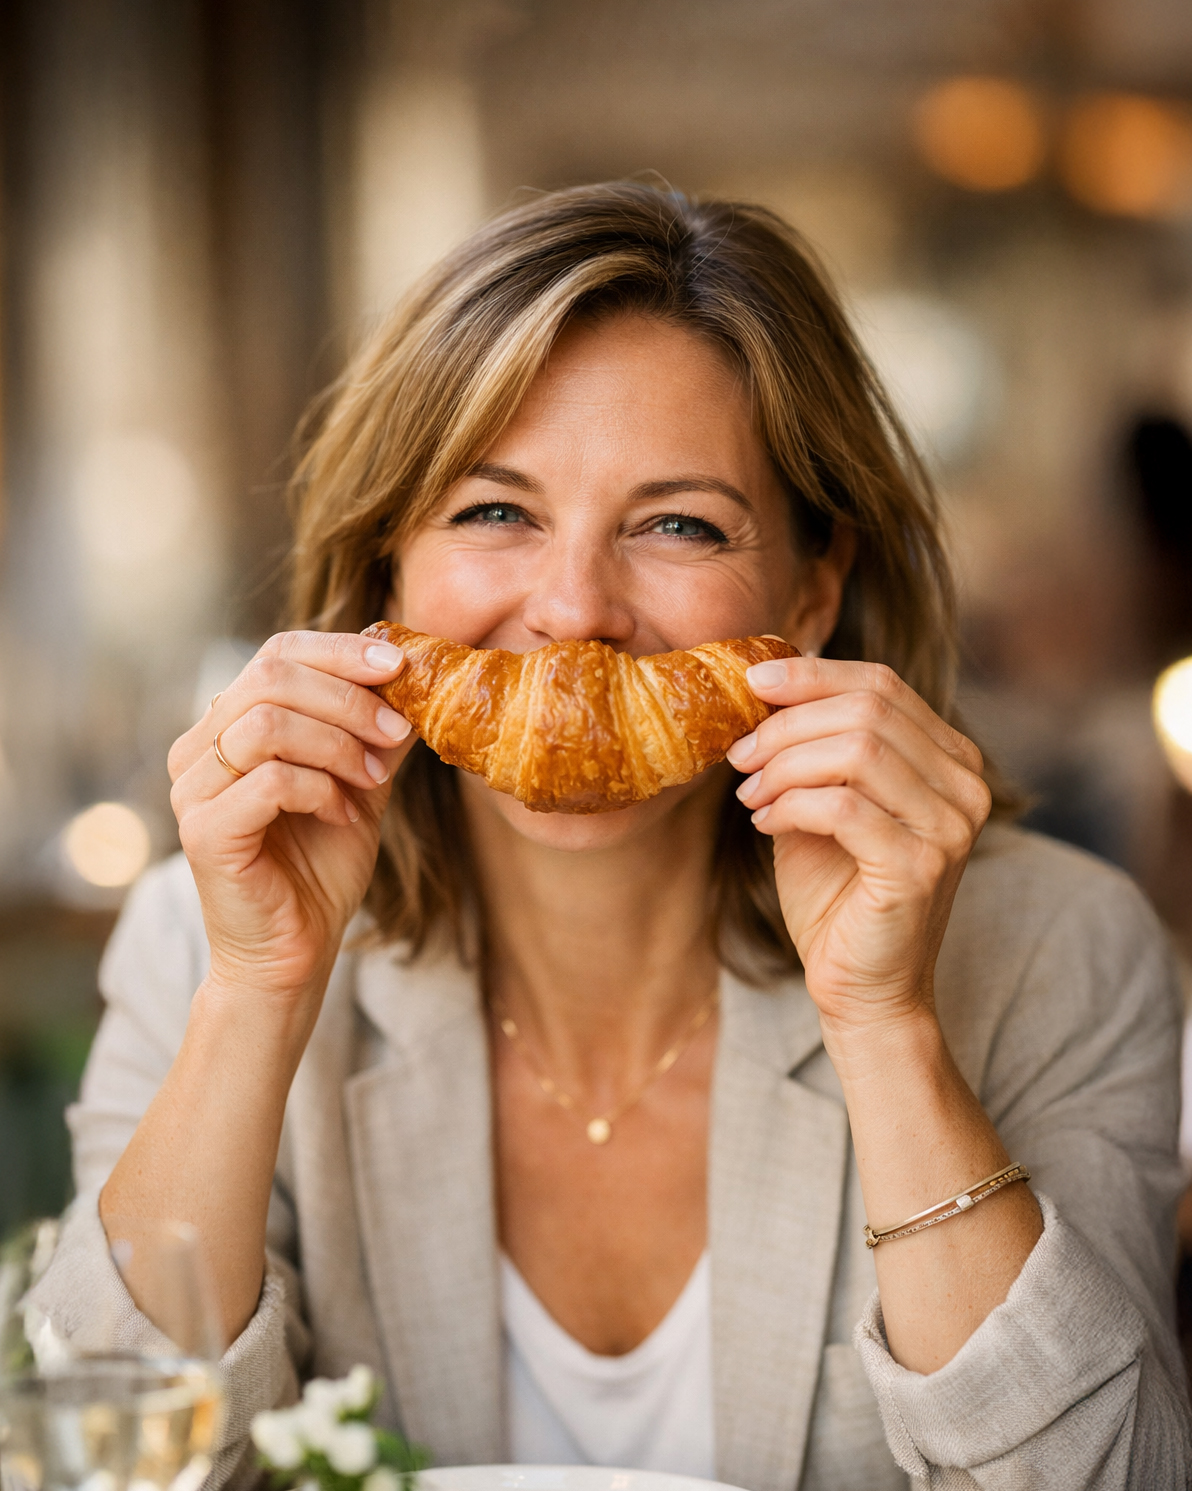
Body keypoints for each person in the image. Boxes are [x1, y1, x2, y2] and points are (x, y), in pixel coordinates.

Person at [31, 184, 1191, 1489]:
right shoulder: (204, 943)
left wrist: (888, 1028)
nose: (575, 609)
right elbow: (92, 1473)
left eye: (679, 524)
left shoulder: (1053, 953)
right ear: (387, 571)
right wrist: (257, 996)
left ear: (812, 590)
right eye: (493, 511)